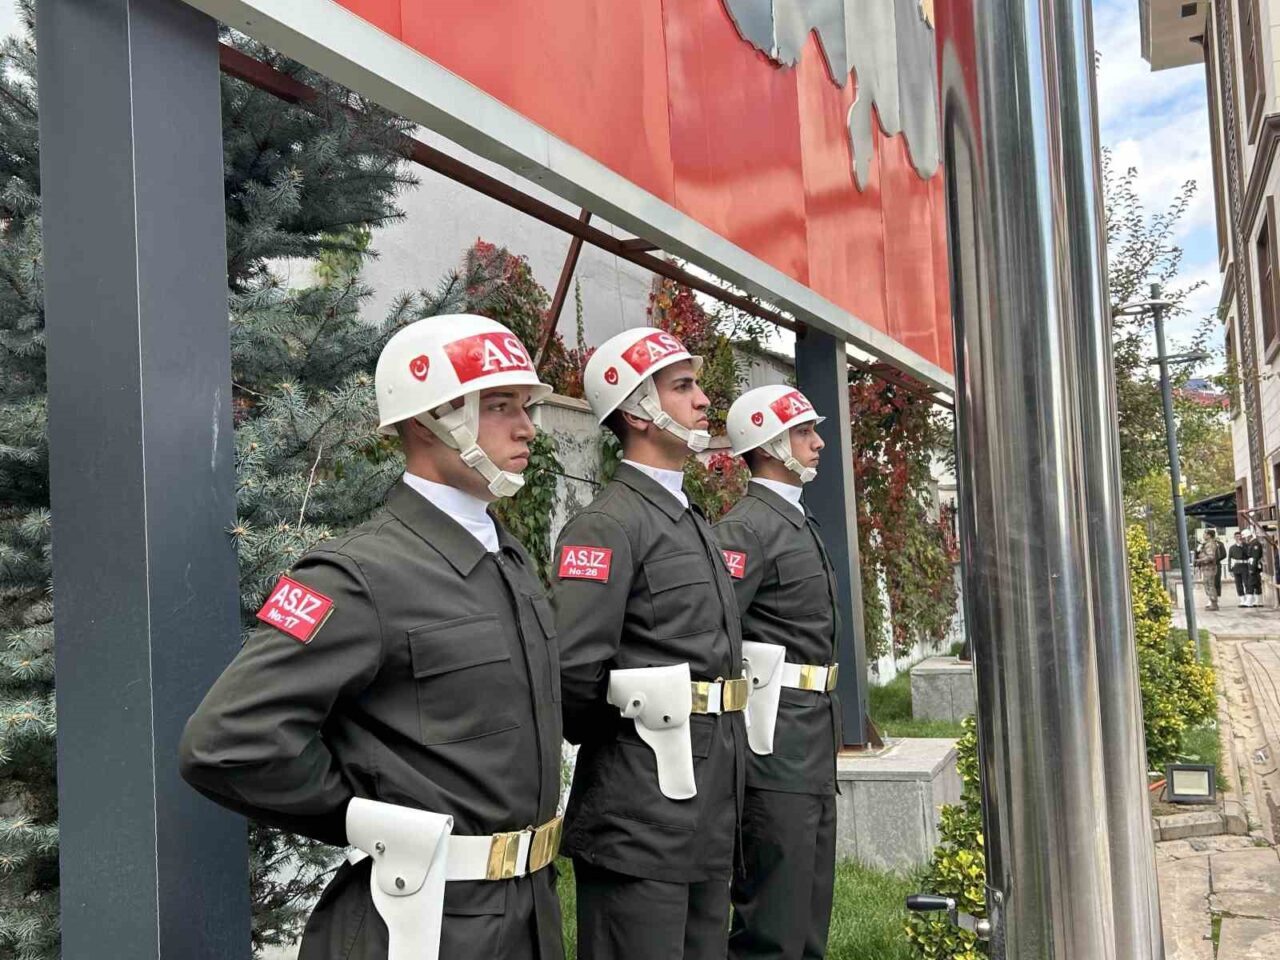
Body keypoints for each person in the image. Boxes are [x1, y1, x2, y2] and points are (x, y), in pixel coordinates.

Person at [179, 316, 565, 960]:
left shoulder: (509, 559)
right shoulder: (358, 574)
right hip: (423, 926)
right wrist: (367, 819)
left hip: (530, 915)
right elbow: (228, 742)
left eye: (525, 407)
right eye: (500, 407)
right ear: (429, 421)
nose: (526, 427)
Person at [550, 327, 746, 960]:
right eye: (682, 387)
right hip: (638, 812)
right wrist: (634, 732)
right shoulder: (607, 524)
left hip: (705, 805)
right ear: (637, 411)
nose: (703, 400)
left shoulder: (687, 518)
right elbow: (574, 672)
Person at [712, 385, 840, 960]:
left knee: (809, 913)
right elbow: (716, 630)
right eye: (803, 432)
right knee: (774, 921)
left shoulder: (793, 519)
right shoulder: (747, 528)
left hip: (811, 735)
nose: (818, 442)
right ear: (766, 444)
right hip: (774, 740)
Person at [1195, 528, 1226, 611]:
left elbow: (1211, 556)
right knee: (1207, 584)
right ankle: (1212, 602)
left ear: (1209, 535)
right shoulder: (1206, 544)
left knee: (1210, 585)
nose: (1203, 535)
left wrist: (1199, 560)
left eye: (1205, 534)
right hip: (1206, 567)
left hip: (1209, 568)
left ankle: (1214, 603)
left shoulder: (1210, 544)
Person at [1244, 528, 1266, 608]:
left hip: (1254, 566)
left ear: (1248, 536)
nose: (1245, 539)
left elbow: (1255, 557)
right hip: (1253, 564)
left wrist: (1252, 569)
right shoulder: (1252, 543)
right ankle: (1259, 601)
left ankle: (1249, 601)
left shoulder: (1255, 544)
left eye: (1245, 537)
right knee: (1257, 584)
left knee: (1251, 583)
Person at [1229, 531, 1249, 607]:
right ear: (1234, 538)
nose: (1239, 538)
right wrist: (1230, 569)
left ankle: (1248, 599)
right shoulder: (1232, 548)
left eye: (1240, 536)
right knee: (1238, 584)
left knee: (1246, 583)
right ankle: (1242, 599)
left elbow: (1248, 554)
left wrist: (1242, 546)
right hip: (1236, 567)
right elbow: (1230, 559)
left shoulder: (1246, 546)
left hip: (1244, 566)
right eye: (1237, 537)